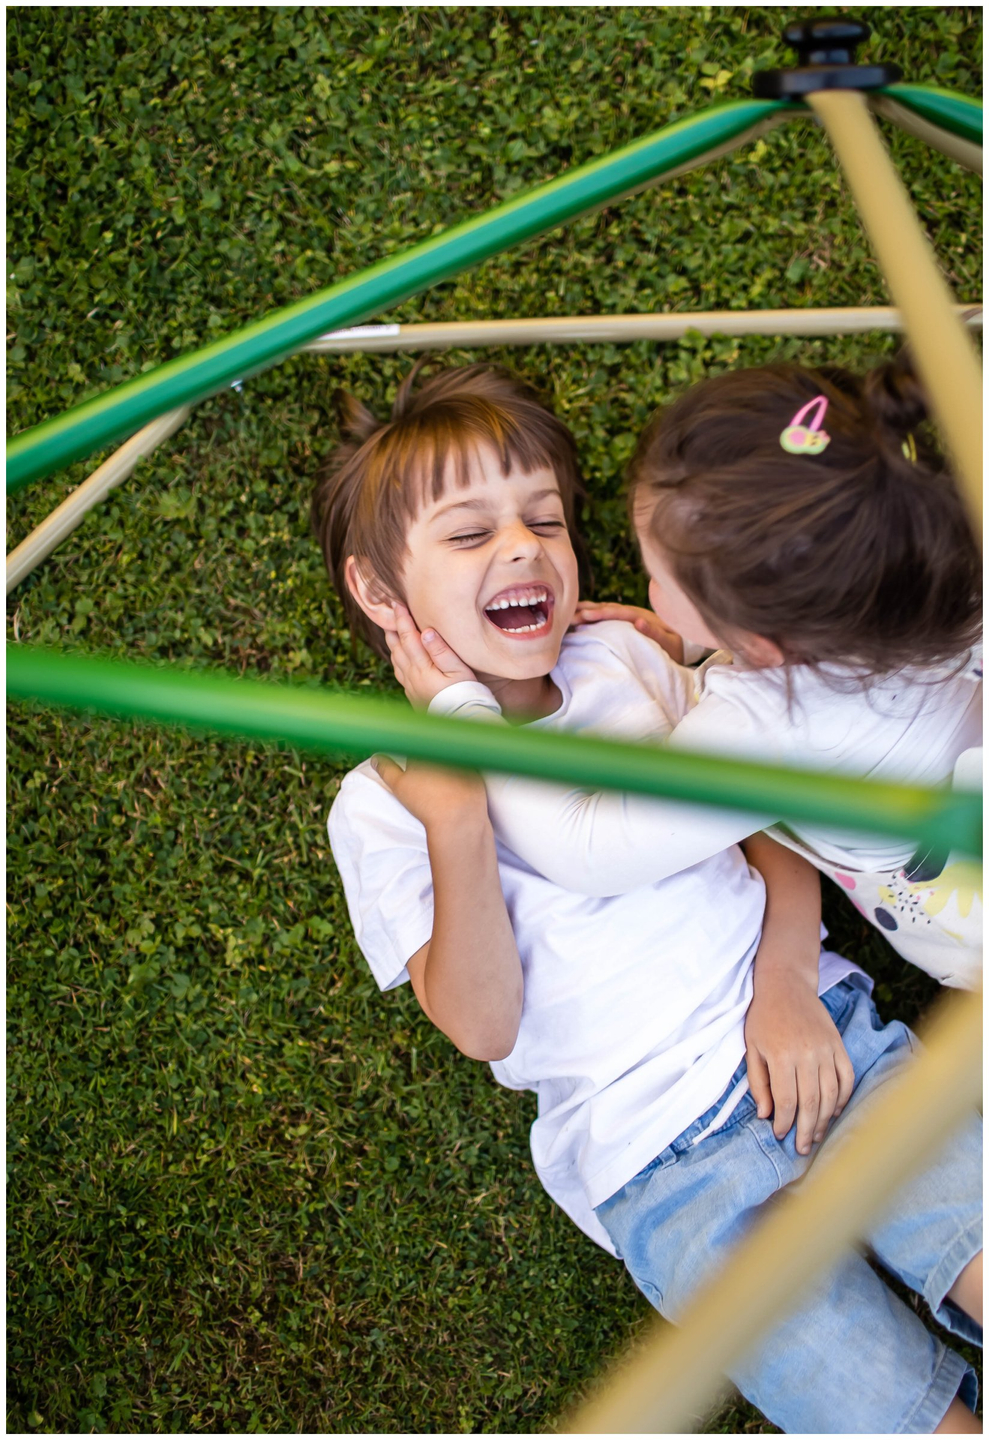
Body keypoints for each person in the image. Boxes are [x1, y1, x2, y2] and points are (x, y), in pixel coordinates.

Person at [314, 362, 983, 1434]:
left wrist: (780, 985)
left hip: (823, 1042)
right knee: (880, 1410)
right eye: (469, 534)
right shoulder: (383, 802)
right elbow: (484, 1023)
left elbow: (770, 820)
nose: (525, 548)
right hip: (661, 1171)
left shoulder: (624, 658)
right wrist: (458, 823)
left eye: (544, 518)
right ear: (380, 595)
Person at [420, 356, 982, 989]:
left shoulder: (771, 733)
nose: (650, 589)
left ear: (764, 638)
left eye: (660, 579)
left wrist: (469, 717)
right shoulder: (946, 571)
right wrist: (706, 640)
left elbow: (589, 849)